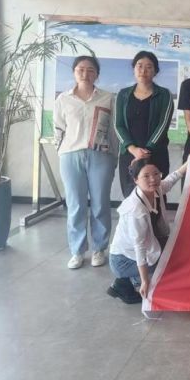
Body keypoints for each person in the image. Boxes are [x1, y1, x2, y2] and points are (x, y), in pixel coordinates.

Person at [53, 56, 118, 270]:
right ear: (74, 72)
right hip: (71, 155)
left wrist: (114, 156)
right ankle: (77, 251)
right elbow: (58, 129)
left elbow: (113, 130)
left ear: (97, 74)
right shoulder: (63, 99)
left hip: (101, 155)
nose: (85, 73)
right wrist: (61, 151)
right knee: (76, 204)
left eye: (90, 70)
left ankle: (99, 248)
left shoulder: (108, 98)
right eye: (80, 69)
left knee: (100, 203)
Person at [107, 157, 188, 304]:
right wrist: (144, 281)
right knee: (167, 263)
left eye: (156, 174)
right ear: (136, 180)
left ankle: (131, 279)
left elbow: (172, 179)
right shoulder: (135, 210)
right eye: (146, 176)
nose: (153, 179)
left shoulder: (156, 190)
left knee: (177, 250)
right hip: (123, 261)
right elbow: (139, 248)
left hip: (145, 246)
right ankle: (129, 282)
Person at [115, 51, 175, 197]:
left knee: (156, 197)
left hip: (156, 154)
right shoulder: (123, 94)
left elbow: (163, 125)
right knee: (130, 198)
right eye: (139, 66)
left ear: (155, 71)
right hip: (129, 155)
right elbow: (118, 125)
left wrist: (145, 152)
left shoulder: (164, 94)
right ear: (134, 68)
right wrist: (133, 150)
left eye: (149, 67)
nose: (143, 70)